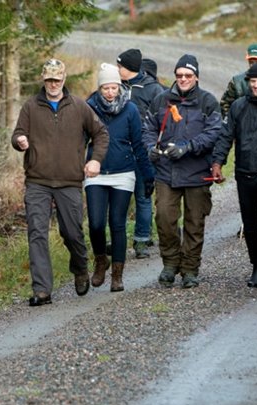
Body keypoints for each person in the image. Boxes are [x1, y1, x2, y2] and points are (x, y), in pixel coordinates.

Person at [11, 58, 109, 306]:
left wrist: (95, 160)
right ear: (43, 80)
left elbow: (101, 134)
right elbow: (17, 134)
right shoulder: (31, 107)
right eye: (49, 80)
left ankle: (80, 268)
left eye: (57, 79)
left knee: (72, 232)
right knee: (37, 233)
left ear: (64, 80)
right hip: (37, 181)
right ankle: (42, 290)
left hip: (69, 181)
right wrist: (20, 140)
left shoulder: (78, 106)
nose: (53, 84)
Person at [143, 54, 223, 289]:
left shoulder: (208, 101)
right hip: (166, 172)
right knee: (164, 219)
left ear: (196, 77)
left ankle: (190, 268)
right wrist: (151, 148)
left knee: (194, 222)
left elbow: (214, 132)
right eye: (179, 76)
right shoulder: (161, 100)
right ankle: (170, 263)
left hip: (197, 172)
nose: (183, 79)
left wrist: (188, 148)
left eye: (188, 76)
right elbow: (148, 129)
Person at [212, 61, 257, 295]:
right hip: (244, 175)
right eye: (252, 81)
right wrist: (217, 162)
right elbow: (226, 136)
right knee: (250, 226)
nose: (256, 85)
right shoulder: (238, 107)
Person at [87, 64, 154, 292]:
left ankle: (117, 275)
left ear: (119, 86)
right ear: (99, 88)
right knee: (96, 223)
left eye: (113, 87)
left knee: (117, 223)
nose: (109, 92)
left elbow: (138, 144)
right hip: (95, 173)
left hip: (124, 172)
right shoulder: (89, 107)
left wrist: (147, 175)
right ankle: (100, 260)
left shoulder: (130, 109)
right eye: (105, 88)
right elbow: (78, 141)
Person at [118, 49, 168, 259]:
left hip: (143, 152)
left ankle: (141, 241)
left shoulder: (154, 89)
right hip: (119, 151)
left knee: (143, 196)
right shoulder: (116, 86)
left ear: (128, 68)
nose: (118, 69)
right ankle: (116, 240)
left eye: (120, 66)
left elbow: (162, 120)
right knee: (118, 198)